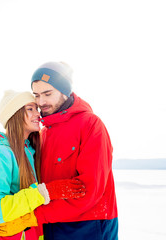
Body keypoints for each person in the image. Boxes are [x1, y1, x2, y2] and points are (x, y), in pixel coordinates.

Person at [0, 90, 86, 240]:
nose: (38, 114)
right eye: (30, 109)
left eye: (36, 109)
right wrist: (43, 192)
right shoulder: (0, 154)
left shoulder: (30, 150)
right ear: (14, 115)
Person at [31, 62, 119, 240]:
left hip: (88, 226)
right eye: (37, 95)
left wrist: (37, 215)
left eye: (48, 94)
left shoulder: (90, 125)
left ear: (64, 91)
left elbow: (89, 189)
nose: (41, 102)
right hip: (51, 225)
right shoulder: (43, 132)